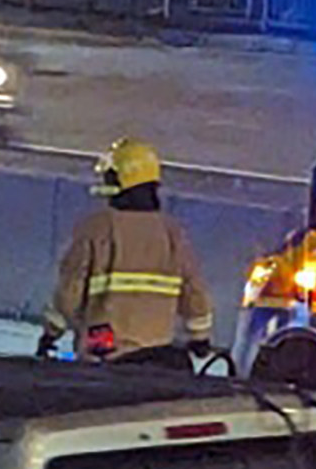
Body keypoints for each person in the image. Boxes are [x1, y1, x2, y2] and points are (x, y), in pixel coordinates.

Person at [39, 138, 214, 365]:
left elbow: (69, 292)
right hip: (158, 356)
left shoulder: (96, 229)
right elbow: (194, 291)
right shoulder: (172, 233)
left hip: (105, 353)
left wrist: (51, 333)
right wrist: (200, 338)